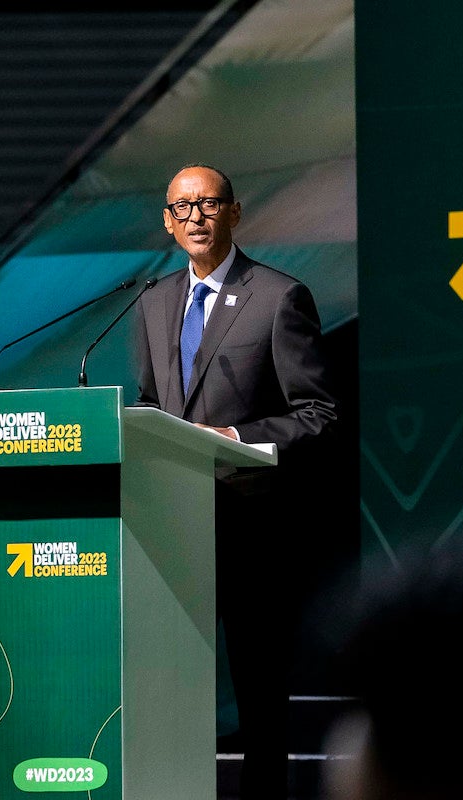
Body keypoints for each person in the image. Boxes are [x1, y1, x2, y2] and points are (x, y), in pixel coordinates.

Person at [132, 163, 340, 799]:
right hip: (170, 524)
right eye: (182, 207)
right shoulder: (152, 302)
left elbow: (318, 414)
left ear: (234, 213)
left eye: (209, 203)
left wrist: (242, 438)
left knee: (256, 684)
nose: (195, 215)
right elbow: (148, 403)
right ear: (168, 223)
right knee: (167, 678)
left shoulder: (278, 296)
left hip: (250, 523)